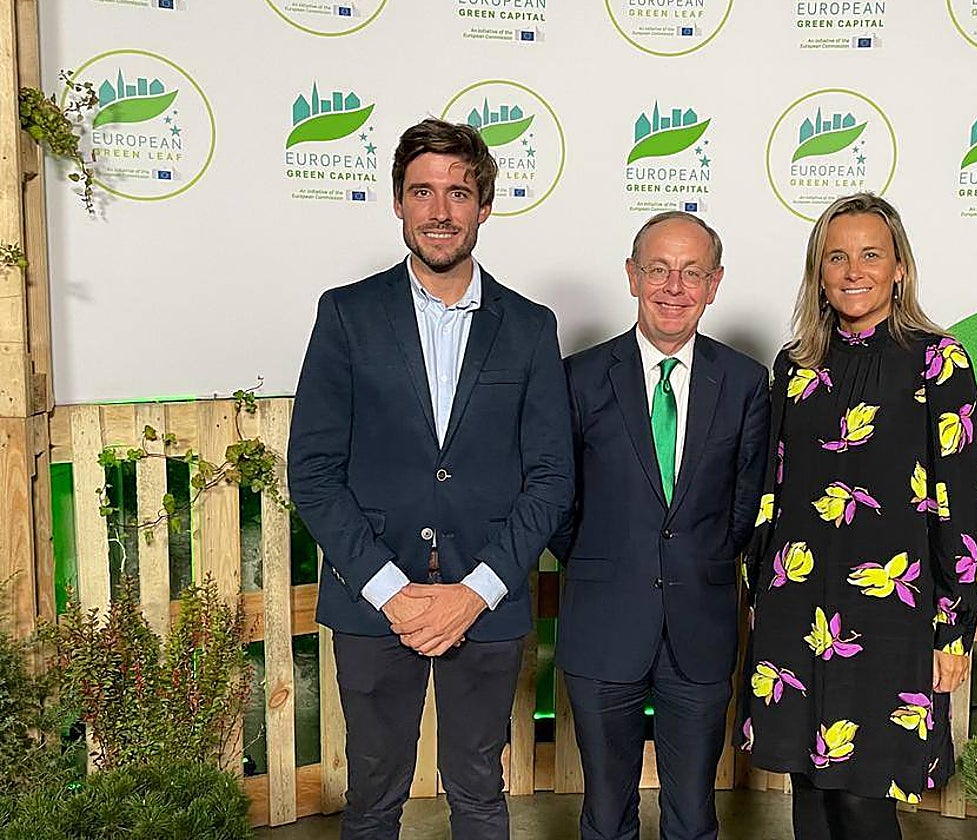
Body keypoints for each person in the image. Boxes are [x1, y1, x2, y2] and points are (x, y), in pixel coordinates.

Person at [287, 118, 574, 840]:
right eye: (422, 191)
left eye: (458, 192)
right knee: (375, 794)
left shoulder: (531, 327)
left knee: (479, 788)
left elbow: (550, 479)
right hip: (372, 602)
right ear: (397, 203)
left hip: (487, 600)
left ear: (485, 206)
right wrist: (391, 592)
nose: (440, 210)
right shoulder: (346, 315)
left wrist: (475, 593)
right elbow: (314, 472)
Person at [741, 193, 977, 840]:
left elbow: (958, 506)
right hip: (796, 612)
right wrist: (760, 596)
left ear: (899, 267)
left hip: (890, 623)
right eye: (837, 257)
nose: (854, 271)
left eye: (871, 255)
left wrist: (954, 630)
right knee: (811, 796)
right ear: (818, 273)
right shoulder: (795, 366)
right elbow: (772, 492)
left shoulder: (941, 361)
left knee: (861, 801)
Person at [551, 211, 770, 840]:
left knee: (694, 815)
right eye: (658, 269)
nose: (673, 287)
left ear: (714, 284)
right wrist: (605, 562)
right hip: (603, 623)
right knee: (605, 812)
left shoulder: (746, 382)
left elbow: (745, 505)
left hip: (700, 630)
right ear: (631, 276)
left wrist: (696, 565)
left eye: (692, 273)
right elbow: (559, 505)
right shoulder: (581, 378)